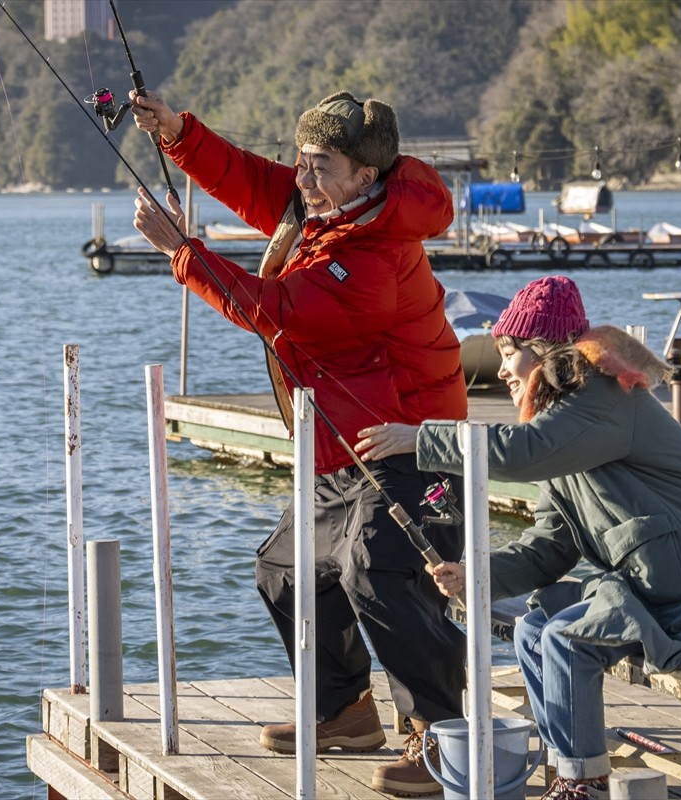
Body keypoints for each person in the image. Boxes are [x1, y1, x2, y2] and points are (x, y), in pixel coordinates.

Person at [131, 89, 469, 796]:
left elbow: (274, 311)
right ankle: (344, 711)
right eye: (303, 159)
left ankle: (441, 738)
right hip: (343, 443)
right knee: (285, 570)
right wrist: (178, 134)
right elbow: (253, 180)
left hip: (413, 449)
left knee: (384, 573)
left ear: (364, 176)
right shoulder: (322, 208)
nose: (302, 177)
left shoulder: (374, 255)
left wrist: (183, 252)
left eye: (319, 165)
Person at [356, 275, 681, 800]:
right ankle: (569, 770)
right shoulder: (564, 424)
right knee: (535, 630)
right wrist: (476, 575)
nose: (503, 368)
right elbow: (551, 545)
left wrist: (422, 437)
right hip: (662, 585)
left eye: (510, 353)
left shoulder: (598, 398)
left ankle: (585, 784)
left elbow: (519, 452)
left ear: (543, 352)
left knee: (566, 638)